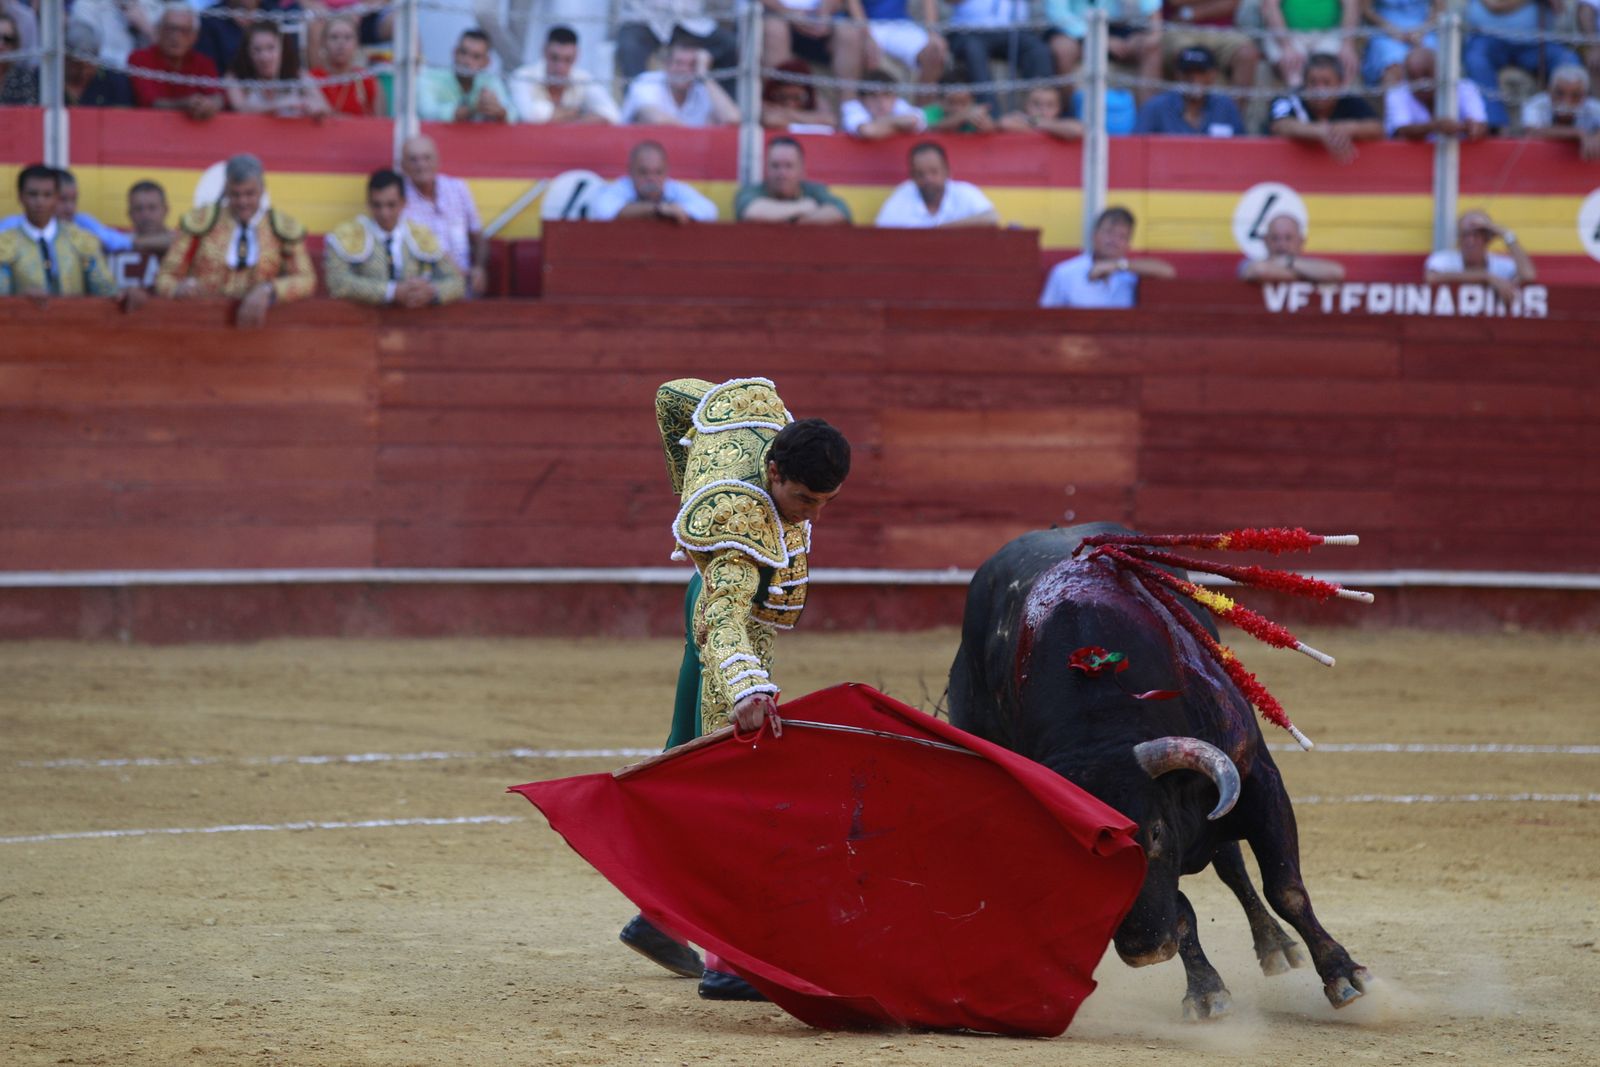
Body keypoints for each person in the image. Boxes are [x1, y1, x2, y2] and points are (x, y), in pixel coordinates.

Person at [617, 377, 851, 1002]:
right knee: (734, 782)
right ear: (772, 470)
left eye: (826, 502)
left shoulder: (755, 418)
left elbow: (673, 396)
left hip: (723, 612)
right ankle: (725, 961)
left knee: (690, 762)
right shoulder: (739, 526)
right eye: (804, 498)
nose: (813, 513)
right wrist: (748, 684)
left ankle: (659, 917)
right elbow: (723, 615)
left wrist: (685, 481)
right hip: (726, 623)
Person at [154, 153, 314, 327]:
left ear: (262, 189)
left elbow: (306, 279)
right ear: (226, 190)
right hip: (202, 322)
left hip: (262, 327)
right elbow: (165, 277)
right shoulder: (201, 222)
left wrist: (269, 290)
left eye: (250, 193)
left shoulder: (281, 228)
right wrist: (180, 288)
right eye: (235, 194)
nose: (242, 201)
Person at [325, 169, 465, 307]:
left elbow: (457, 282)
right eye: (377, 205)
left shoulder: (421, 235)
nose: (384, 213)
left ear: (403, 203)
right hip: (366, 325)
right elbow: (337, 281)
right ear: (368, 202)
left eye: (391, 205)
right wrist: (391, 292)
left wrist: (431, 291)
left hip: (413, 322)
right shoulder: (349, 235)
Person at [1463, 0, 1582, 131]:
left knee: (1568, 61)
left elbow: (1559, 9)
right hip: (1490, 38)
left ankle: (1566, 125)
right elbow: (1495, 5)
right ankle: (1494, 125)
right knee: (1477, 59)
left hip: (1535, 42)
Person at [0, 164, 116, 297]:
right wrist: (20, 298)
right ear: (21, 197)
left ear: (56, 197)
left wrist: (124, 294)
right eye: (33, 194)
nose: (40, 202)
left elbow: (107, 292)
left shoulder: (82, 240)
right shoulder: (4, 244)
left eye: (47, 195)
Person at [399, 134, 488, 296]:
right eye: (413, 159)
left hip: (465, 287)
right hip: (424, 290)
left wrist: (480, 267)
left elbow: (478, 236)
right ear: (403, 166)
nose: (421, 165)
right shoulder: (399, 198)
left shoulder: (458, 188)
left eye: (427, 158)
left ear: (437, 161)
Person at [1039, 205, 1175, 308]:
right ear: (1094, 235)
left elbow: (1168, 272)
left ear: (1128, 244)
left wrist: (1117, 266)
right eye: (1109, 232)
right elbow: (1046, 318)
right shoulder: (1064, 273)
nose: (1113, 240)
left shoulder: (1131, 273)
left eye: (1122, 236)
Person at [1267, 52, 1382, 162]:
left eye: (1326, 83)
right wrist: (1320, 131)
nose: (1319, 90)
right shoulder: (1288, 98)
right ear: (1304, 83)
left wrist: (1349, 128)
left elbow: (1377, 128)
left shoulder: (1349, 100)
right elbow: (1279, 125)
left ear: (1340, 84)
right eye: (1313, 82)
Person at [945, 0, 1053, 113]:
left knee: (1038, 50)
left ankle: (1038, 117)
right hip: (969, 29)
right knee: (973, 50)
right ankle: (991, 116)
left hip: (1014, 29)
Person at [1047, 0, 1162, 102]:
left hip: (1116, 28)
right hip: (1075, 31)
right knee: (1063, 49)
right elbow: (1058, 14)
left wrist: (1154, 35)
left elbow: (1151, 9)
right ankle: (1068, 112)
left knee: (1151, 47)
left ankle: (1147, 117)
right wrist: (1100, 39)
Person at [616, 0, 739, 94]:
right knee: (629, 47)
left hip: (690, 20)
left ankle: (728, 112)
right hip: (644, 18)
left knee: (730, 46)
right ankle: (639, 112)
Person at [128, 4, 224, 118]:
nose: (176, 36)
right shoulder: (140, 58)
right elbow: (150, 102)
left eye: (184, 31)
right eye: (170, 29)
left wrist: (210, 105)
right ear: (158, 30)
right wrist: (185, 104)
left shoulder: (204, 62)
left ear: (195, 36)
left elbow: (217, 97)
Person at [510, 25, 620, 125]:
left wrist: (570, 122)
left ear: (576, 56)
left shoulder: (583, 78)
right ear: (544, 51)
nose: (560, 68)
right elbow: (528, 116)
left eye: (568, 60)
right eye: (554, 58)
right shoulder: (522, 76)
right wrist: (575, 113)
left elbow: (613, 114)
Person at [1424, 208, 1535, 306]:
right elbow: (1432, 278)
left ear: (1487, 238)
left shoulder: (1501, 265)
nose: (1470, 240)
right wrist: (1486, 277)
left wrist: (1506, 235)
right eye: (1465, 234)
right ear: (1459, 238)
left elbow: (1528, 276)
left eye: (1477, 234)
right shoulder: (1444, 260)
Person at [588, 140, 719, 223]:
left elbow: (709, 210)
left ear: (666, 172)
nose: (651, 178)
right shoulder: (621, 187)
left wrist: (677, 211)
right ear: (630, 171)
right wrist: (658, 210)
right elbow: (602, 210)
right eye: (644, 172)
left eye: (658, 172)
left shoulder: (674, 188)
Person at [875, 141, 998, 228]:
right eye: (920, 174)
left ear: (947, 171)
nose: (928, 179)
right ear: (912, 176)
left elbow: (991, 217)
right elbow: (882, 229)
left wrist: (939, 230)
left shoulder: (964, 192)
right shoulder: (904, 193)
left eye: (934, 172)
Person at [762, 0, 868, 98]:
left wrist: (824, 13)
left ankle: (850, 106)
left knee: (848, 33)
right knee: (774, 30)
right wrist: (787, 12)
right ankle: (777, 99)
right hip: (776, 14)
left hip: (819, 18)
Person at [734, 136, 852, 224]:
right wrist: (803, 207)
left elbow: (841, 212)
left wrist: (798, 221)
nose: (782, 173)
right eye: (775, 165)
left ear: (801, 170)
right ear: (766, 168)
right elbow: (751, 212)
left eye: (789, 166)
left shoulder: (814, 190)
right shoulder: (751, 191)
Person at [620, 40, 739, 126]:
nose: (684, 70)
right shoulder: (648, 81)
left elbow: (732, 119)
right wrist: (695, 137)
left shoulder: (703, 88)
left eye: (692, 65)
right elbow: (655, 119)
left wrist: (704, 76)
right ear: (666, 65)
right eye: (679, 63)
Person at [224, 22, 329, 117]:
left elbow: (325, 108)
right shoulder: (235, 77)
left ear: (283, 49)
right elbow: (240, 109)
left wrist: (312, 106)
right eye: (257, 50)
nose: (264, 57)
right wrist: (282, 105)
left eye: (271, 48)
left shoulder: (298, 75)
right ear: (247, 53)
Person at [1162, 0, 1260, 102]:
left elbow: (1231, 3)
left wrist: (1191, 12)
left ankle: (1231, 115)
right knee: (1189, 56)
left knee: (1247, 53)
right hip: (1180, 29)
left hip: (1222, 31)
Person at [1134, 45, 1244, 135]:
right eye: (1187, 73)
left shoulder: (1225, 107)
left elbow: (1242, 150)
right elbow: (1137, 148)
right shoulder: (1157, 108)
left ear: (1212, 75)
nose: (1194, 78)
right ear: (1178, 75)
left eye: (1200, 72)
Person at [1385, 47, 1488, 141]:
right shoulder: (1397, 93)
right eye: (1413, 77)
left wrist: (1471, 127)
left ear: (1440, 70)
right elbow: (1401, 132)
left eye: (1426, 74)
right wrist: (1435, 127)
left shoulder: (1465, 88)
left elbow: (1480, 126)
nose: (1421, 84)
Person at [419, 28, 515, 123]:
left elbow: (514, 113)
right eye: (463, 52)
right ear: (455, 52)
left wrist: (500, 111)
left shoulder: (490, 80)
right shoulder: (430, 77)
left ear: (487, 62)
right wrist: (471, 110)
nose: (467, 61)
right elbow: (426, 113)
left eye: (476, 57)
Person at [1261, 0, 1359, 89]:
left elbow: (1351, 4)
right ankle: (1299, 104)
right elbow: (1270, 6)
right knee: (1293, 75)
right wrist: (1286, 46)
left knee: (1340, 73)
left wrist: (1348, 45)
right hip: (1288, 34)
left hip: (1328, 33)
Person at [196, 0, 301, 75]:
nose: (264, 57)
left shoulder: (275, 14)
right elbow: (208, 67)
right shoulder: (210, 18)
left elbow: (290, 60)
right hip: (227, 91)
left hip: (276, 88)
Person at [1521, 64, 1600, 161]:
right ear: (1549, 91)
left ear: (1585, 96)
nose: (1567, 101)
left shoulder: (1593, 107)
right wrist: (1578, 133)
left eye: (1575, 95)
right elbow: (1532, 132)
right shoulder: (1536, 104)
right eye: (1560, 93)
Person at [1239, 213, 1345, 283]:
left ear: (1301, 241)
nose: (1282, 244)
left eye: (1288, 238)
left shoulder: (1310, 262)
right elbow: (1260, 271)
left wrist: (1289, 262)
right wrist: (1310, 276)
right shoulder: (1249, 263)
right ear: (1265, 241)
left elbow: (1336, 272)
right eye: (1275, 238)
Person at [108, 180, 174, 291]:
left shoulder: (182, 243)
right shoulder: (117, 243)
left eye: (152, 208)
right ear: (129, 213)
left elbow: (178, 242)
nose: (145, 215)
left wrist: (132, 243)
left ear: (165, 210)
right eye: (139, 209)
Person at [311, 14, 382, 117]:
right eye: (334, 37)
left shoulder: (368, 79)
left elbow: (380, 123)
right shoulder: (312, 80)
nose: (341, 43)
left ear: (357, 43)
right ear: (323, 43)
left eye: (348, 37)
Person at [1360, 0, 1441, 87]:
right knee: (1393, 65)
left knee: (1429, 61)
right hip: (1385, 31)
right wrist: (1390, 29)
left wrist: (1422, 30)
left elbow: (1440, 9)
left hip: (1424, 31)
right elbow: (1365, 9)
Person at [62, 20, 136, 106]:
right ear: (65, 60)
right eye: (77, 66)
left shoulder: (114, 82)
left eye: (88, 67)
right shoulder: (47, 81)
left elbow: (123, 115)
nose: (83, 73)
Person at [66, 0, 160, 67]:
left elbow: (167, 55)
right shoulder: (88, 4)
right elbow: (87, 52)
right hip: (106, 73)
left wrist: (146, 28)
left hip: (145, 76)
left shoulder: (153, 5)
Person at [839, 69, 927, 138]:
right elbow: (867, 131)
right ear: (862, 99)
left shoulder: (898, 104)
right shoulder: (853, 107)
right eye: (874, 96)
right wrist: (899, 125)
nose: (881, 102)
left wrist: (882, 126)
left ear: (894, 97)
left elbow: (914, 121)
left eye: (886, 95)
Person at [761, 58, 836, 131]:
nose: (790, 103)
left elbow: (830, 121)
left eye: (797, 98)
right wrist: (809, 120)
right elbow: (770, 120)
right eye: (782, 97)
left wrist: (786, 112)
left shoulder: (815, 99)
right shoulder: (766, 102)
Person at [923, 69, 997, 133]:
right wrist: (962, 117)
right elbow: (928, 128)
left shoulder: (977, 116)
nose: (958, 108)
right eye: (951, 102)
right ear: (940, 101)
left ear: (973, 100)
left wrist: (989, 129)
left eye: (964, 103)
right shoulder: (930, 112)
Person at [998, 84, 1084, 139]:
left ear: (1058, 108)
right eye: (1036, 104)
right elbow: (1004, 122)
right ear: (1026, 105)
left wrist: (1035, 122)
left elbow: (1078, 130)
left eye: (1050, 105)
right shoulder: (1019, 120)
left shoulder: (1027, 121)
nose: (1043, 110)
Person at [0, 12, 39, 105]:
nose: (1, 44)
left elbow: (27, 113)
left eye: (7, 39)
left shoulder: (23, 79)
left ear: (15, 44)